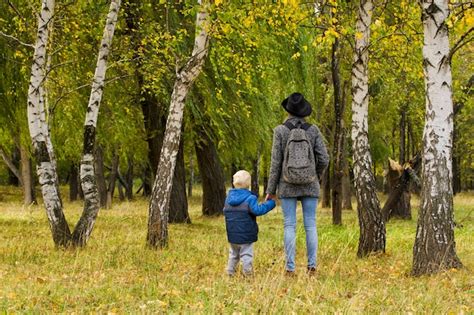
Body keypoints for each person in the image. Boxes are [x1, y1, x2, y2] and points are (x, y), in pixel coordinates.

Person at [266, 92, 329, 276]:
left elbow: (275, 163)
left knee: (289, 225)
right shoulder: (313, 130)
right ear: (304, 111)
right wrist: (315, 175)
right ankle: (311, 267)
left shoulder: (280, 131)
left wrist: (271, 190)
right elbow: (324, 158)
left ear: (288, 111)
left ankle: (290, 268)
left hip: (287, 184)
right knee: (310, 225)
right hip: (310, 184)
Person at [224, 170, 276, 276]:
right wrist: (270, 203)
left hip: (232, 233)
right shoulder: (250, 198)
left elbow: (225, 211)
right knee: (246, 254)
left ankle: (230, 272)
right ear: (249, 184)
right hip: (246, 234)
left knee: (233, 254)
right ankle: (247, 274)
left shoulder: (228, 198)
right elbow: (258, 210)